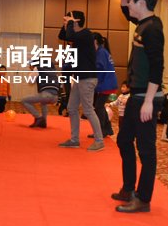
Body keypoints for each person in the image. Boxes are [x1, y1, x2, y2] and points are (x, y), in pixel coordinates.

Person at [112, 0, 164, 213]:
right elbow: (128, 13)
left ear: (142, 2)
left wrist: (149, 101)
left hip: (146, 97)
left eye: (132, 0)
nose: (129, 4)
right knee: (124, 140)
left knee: (146, 150)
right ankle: (128, 188)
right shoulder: (143, 24)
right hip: (137, 95)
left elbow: (157, 67)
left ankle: (143, 199)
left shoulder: (152, 29)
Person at [57, 10, 105, 151]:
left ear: (76, 21)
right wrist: (66, 24)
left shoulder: (85, 34)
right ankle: (74, 140)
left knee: (88, 110)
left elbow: (70, 36)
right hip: (79, 78)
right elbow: (62, 36)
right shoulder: (77, 36)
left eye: (69, 19)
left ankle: (99, 141)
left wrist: (70, 23)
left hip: (87, 78)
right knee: (72, 108)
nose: (66, 21)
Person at [93, 33, 118, 138]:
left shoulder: (101, 53)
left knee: (98, 107)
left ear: (95, 41)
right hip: (107, 83)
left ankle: (102, 131)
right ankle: (107, 129)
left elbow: (99, 69)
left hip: (105, 84)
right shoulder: (103, 51)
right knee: (100, 107)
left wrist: (95, 82)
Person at [21, 63, 60, 128]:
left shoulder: (37, 68)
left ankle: (38, 117)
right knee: (43, 102)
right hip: (55, 97)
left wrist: (32, 71)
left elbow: (30, 81)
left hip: (46, 95)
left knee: (24, 100)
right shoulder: (53, 71)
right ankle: (43, 122)